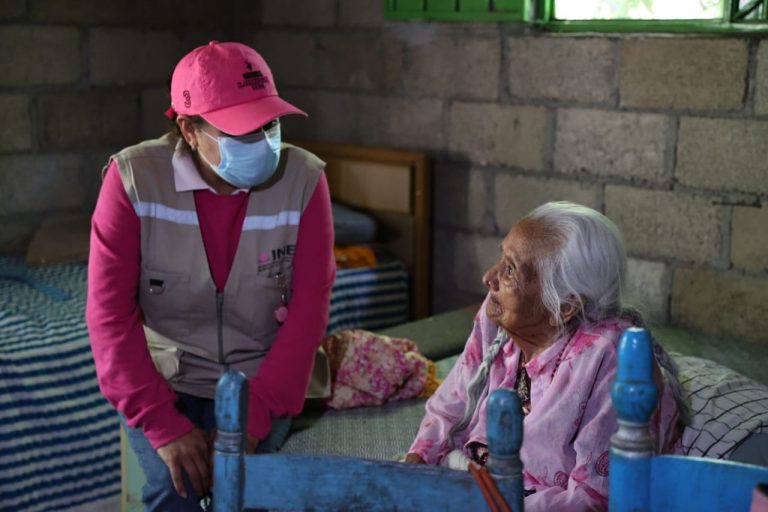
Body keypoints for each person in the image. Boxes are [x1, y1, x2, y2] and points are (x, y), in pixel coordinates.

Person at [86, 41, 336, 511]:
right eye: (242, 131)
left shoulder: (304, 180)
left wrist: (254, 418)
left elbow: (308, 312)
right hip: (168, 381)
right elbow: (108, 316)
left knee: (248, 489)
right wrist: (162, 424)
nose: (263, 142)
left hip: (261, 379)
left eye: (269, 124)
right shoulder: (133, 180)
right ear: (189, 128)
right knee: (172, 489)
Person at [404, 201, 684, 511]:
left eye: (510, 269)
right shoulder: (498, 314)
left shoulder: (607, 359)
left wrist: (478, 503)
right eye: (501, 257)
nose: (488, 277)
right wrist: (414, 463)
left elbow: (593, 498)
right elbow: (450, 405)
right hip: (478, 481)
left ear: (565, 306)